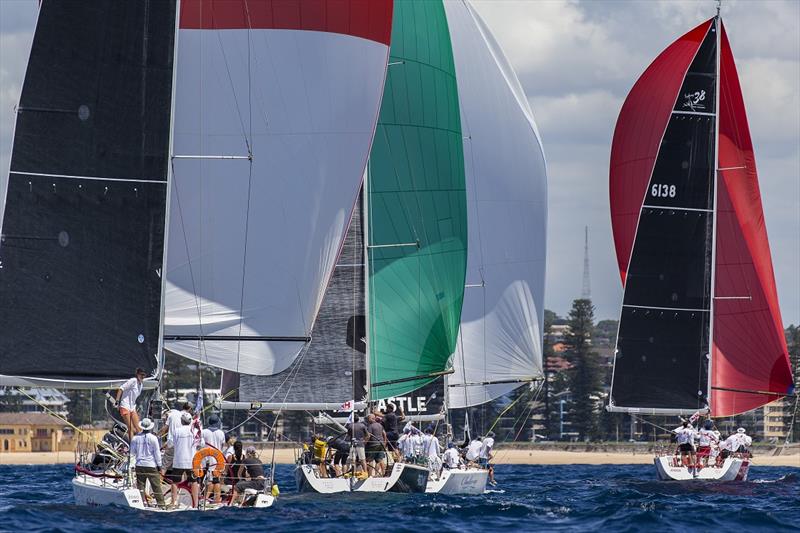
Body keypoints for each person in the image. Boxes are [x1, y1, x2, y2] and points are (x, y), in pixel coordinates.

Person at [168, 411, 203, 508]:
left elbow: (171, 444)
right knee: (194, 481)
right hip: (191, 461)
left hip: (178, 461)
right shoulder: (195, 431)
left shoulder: (176, 431)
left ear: (181, 421)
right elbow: (201, 444)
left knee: (175, 481)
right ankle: (195, 504)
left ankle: (173, 502)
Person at [129, 418, 166, 508]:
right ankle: (161, 505)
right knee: (156, 486)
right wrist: (159, 466)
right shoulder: (153, 438)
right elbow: (157, 454)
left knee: (141, 486)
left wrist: (132, 465)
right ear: (150, 427)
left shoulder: (135, 438)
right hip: (151, 465)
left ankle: (142, 503)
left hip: (139, 464)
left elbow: (132, 453)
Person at [115, 367, 147, 440]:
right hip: (124, 405)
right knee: (131, 428)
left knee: (139, 428)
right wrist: (117, 401)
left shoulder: (141, 385)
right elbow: (121, 388)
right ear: (137, 374)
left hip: (132, 407)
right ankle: (132, 447)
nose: (142, 376)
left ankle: (141, 445)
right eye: (141, 374)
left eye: (144, 375)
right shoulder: (133, 380)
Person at [200, 414, 226, 503]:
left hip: (207, 459)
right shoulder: (221, 433)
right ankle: (217, 499)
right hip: (218, 459)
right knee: (217, 480)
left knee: (210, 481)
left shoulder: (203, 432)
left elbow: (201, 445)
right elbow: (223, 446)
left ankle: (206, 498)